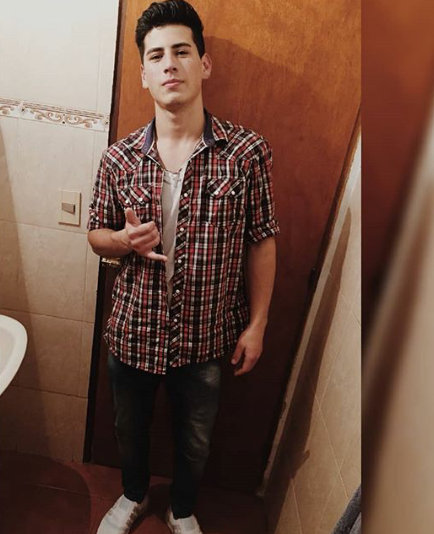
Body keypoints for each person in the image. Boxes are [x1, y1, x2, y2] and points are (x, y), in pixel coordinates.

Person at [87, 1, 280, 532]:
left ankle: (183, 508)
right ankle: (132, 496)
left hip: (207, 334)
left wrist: (258, 324)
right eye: (156, 56)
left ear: (204, 63)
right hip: (134, 328)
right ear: (144, 75)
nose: (169, 64)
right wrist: (122, 240)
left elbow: (262, 239)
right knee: (130, 429)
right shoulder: (119, 158)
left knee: (196, 437)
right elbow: (96, 236)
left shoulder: (246, 153)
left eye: (181, 51)